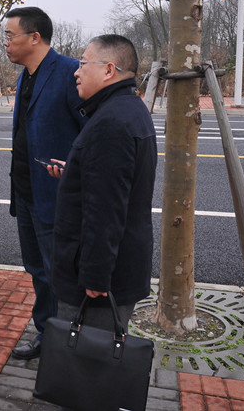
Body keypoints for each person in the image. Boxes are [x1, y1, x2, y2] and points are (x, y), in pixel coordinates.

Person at [51, 34, 157, 330]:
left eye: (83, 63)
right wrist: (78, 170)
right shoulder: (128, 108)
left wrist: (95, 276)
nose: (76, 72)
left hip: (99, 280)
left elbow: (106, 210)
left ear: (109, 70)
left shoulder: (110, 123)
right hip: (117, 266)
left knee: (85, 352)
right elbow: (115, 182)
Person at [3, 6, 85, 360]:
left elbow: (91, 130)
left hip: (56, 194)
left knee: (60, 273)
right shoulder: (26, 75)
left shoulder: (69, 72)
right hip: (26, 191)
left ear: (34, 37)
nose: (5, 43)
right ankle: (46, 333)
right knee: (37, 269)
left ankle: (70, 341)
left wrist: (76, 169)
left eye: (10, 36)